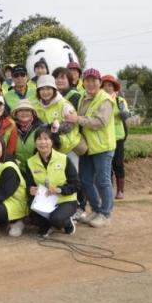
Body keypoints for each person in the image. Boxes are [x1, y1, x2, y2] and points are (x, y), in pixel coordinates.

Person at [66, 68, 115, 228]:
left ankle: (105, 214)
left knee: (103, 181)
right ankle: (96, 209)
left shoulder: (105, 99)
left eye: (94, 80)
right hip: (87, 147)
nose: (90, 83)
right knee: (86, 180)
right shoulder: (83, 98)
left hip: (102, 147)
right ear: (83, 82)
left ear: (99, 83)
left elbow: (101, 122)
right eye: (87, 80)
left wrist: (78, 119)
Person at [26, 127, 81, 237]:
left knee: (56, 219)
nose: (43, 142)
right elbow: (29, 185)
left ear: (52, 141)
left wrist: (58, 190)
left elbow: (76, 185)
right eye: (39, 139)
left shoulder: (64, 159)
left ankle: (66, 223)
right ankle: (47, 224)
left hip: (65, 200)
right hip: (44, 202)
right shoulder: (30, 162)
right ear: (35, 142)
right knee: (31, 218)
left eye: (46, 139)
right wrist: (30, 189)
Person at [34, 75, 83, 159]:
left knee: (72, 172)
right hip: (50, 149)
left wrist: (52, 129)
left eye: (48, 89)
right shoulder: (37, 107)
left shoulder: (63, 104)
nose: (45, 92)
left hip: (69, 148)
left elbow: (70, 125)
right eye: (42, 89)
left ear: (54, 90)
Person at [102, 74, 130, 199]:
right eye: (105, 85)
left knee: (118, 164)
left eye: (110, 85)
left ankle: (120, 191)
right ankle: (108, 190)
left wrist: (125, 113)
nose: (107, 88)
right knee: (106, 166)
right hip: (103, 137)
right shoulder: (100, 101)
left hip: (117, 137)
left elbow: (126, 114)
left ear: (114, 87)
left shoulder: (120, 101)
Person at [11, 100, 43, 169]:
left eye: (27, 110)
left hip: (38, 169)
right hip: (17, 169)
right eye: (20, 110)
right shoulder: (10, 128)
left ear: (32, 113)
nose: (24, 113)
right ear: (16, 114)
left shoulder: (41, 128)